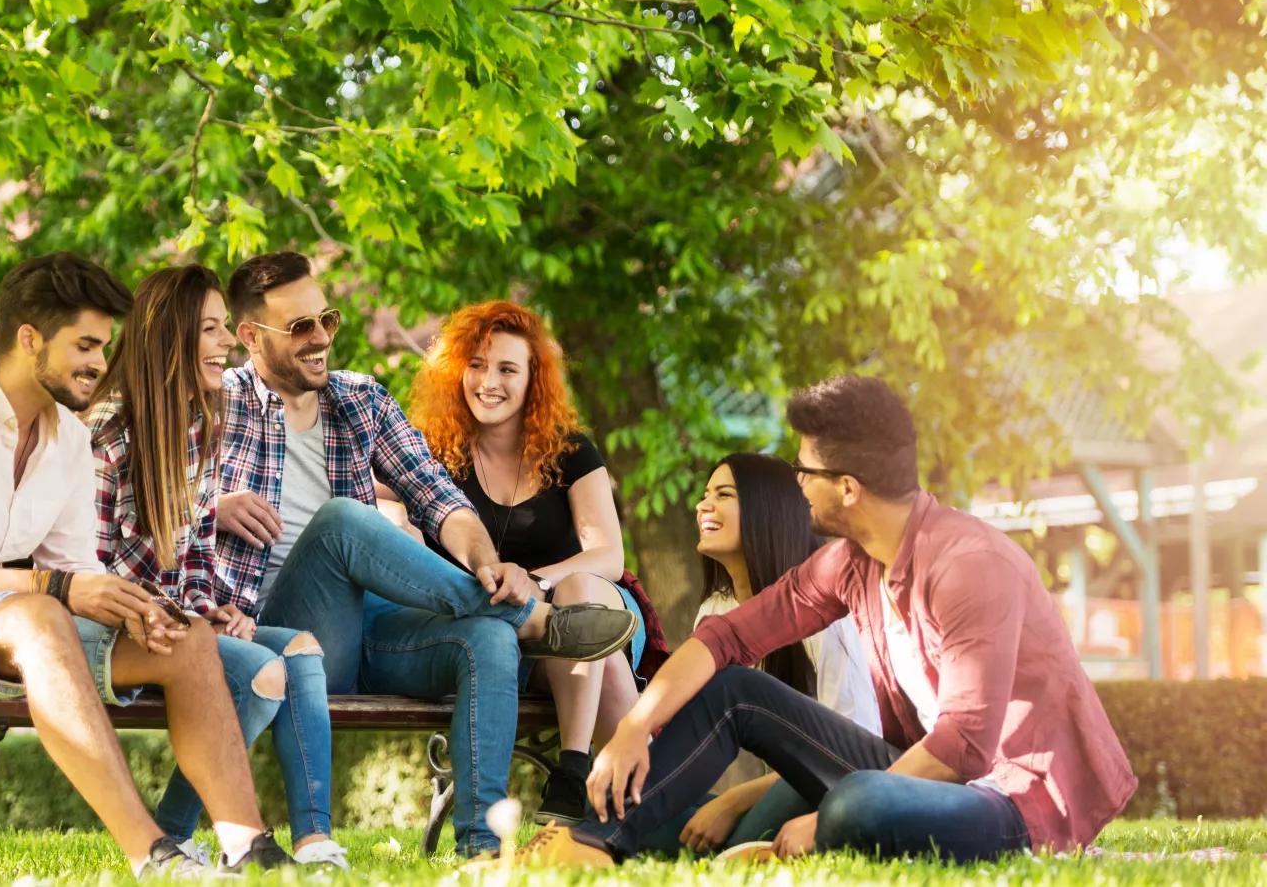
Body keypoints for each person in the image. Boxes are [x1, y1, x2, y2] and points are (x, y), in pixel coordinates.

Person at [491, 374, 1136, 868]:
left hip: (1014, 803)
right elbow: (728, 638)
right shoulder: (849, 563)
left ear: (848, 487)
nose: (796, 480)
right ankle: (595, 844)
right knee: (734, 690)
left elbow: (967, 745)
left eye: (805, 469)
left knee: (860, 800)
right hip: (917, 772)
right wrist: (633, 725)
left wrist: (826, 815)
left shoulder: (970, 565)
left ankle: (801, 843)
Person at [0, 252, 289, 879]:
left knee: (185, 638)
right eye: (86, 345)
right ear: (28, 339)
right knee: (41, 615)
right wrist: (60, 588)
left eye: (104, 345)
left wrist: (134, 608)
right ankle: (152, 854)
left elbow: (74, 571)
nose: (100, 363)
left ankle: (249, 846)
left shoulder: (68, 439)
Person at [208, 251, 638, 859]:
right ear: (249, 337)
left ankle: (482, 848)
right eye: (299, 327)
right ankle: (536, 622)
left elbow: (443, 503)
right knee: (343, 521)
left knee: (484, 638)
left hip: (365, 632)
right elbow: (132, 485)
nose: (320, 338)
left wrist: (487, 563)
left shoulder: (360, 401)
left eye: (325, 320)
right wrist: (211, 506)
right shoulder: (214, 406)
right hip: (272, 631)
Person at [85, 265, 346, 869]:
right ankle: (198, 839)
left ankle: (289, 841)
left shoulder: (198, 424)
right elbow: (92, 565)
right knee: (260, 672)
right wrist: (188, 617)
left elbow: (199, 547)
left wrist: (213, 608)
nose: (227, 342)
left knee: (292, 654)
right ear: (169, 336)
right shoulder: (109, 431)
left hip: (180, 623)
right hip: (120, 632)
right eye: (211, 329)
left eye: (225, 327)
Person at [406, 300, 649, 826]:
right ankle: (644, 811)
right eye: (475, 364)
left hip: (584, 605)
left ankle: (572, 771)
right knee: (601, 656)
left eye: (507, 369)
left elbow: (608, 554)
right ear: (455, 371)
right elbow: (385, 520)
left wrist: (537, 582)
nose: (487, 381)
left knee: (581, 598)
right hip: (496, 636)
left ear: (533, 379)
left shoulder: (571, 451)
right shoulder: (430, 453)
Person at [636, 452, 879, 855]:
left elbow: (853, 759)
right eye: (704, 494)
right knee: (643, 804)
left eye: (724, 494)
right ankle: (738, 848)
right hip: (777, 794)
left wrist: (734, 801)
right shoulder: (716, 610)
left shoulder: (825, 611)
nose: (702, 505)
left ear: (767, 508)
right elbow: (696, 741)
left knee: (759, 807)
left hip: (838, 789)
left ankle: (739, 848)